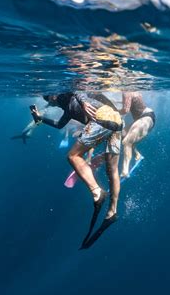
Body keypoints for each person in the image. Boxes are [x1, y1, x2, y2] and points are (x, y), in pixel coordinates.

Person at [30, 92, 123, 247]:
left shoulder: (61, 96)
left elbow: (76, 90)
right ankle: (112, 212)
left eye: (49, 100)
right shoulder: (67, 109)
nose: (51, 103)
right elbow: (59, 124)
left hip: (101, 117)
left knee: (73, 156)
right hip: (116, 119)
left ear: (53, 96)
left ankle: (97, 192)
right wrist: (40, 119)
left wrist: (84, 102)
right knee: (112, 170)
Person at [119, 92, 155, 178]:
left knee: (126, 142)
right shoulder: (132, 89)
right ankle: (137, 155)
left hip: (146, 118)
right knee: (123, 134)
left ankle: (125, 171)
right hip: (145, 117)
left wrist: (112, 111)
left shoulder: (126, 91)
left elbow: (125, 110)